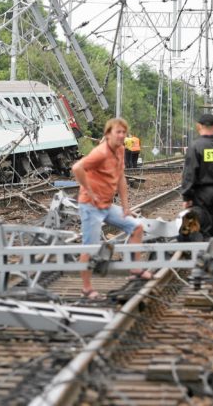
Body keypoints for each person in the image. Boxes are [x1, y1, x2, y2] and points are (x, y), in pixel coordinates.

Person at [71, 118, 146, 299]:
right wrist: (89, 190)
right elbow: (77, 167)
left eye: (123, 132)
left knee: (136, 227)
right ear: (108, 135)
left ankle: (135, 269)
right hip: (90, 206)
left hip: (106, 205)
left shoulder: (120, 150)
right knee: (90, 247)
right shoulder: (101, 152)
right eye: (117, 132)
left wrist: (126, 207)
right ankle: (87, 288)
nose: (121, 136)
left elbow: (121, 178)